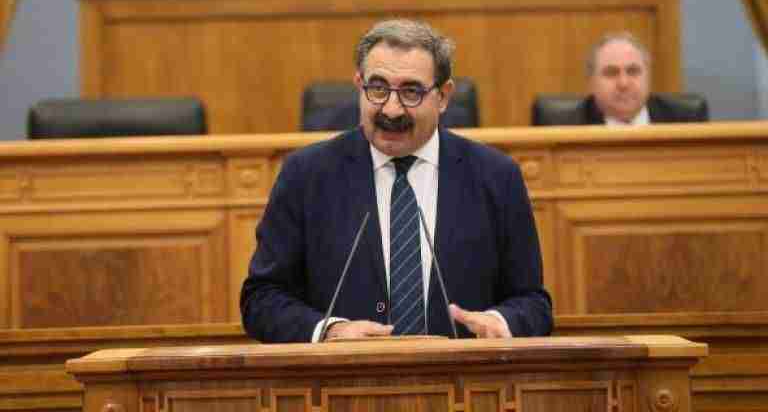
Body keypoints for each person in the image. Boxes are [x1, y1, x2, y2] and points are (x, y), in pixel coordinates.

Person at [241, 19, 553, 343]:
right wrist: (330, 330)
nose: (391, 109)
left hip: (462, 372)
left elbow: (532, 303)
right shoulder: (306, 175)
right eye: (378, 89)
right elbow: (261, 298)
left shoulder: (496, 176)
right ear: (359, 85)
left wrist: (500, 322)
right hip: (344, 373)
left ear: (443, 96)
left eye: (411, 92)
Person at [579, 32, 707, 125]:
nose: (623, 83)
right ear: (591, 82)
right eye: (611, 73)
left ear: (648, 76)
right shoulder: (570, 125)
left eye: (633, 71)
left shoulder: (685, 121)